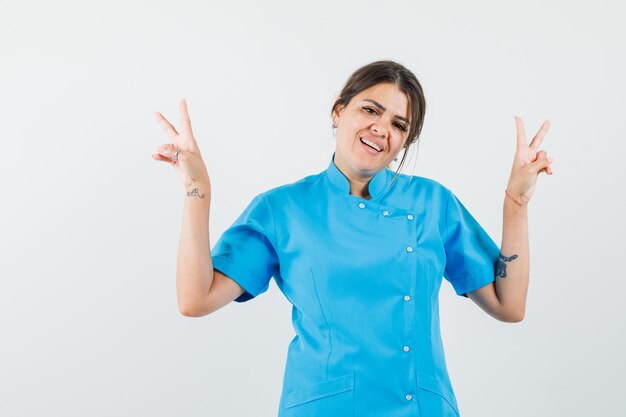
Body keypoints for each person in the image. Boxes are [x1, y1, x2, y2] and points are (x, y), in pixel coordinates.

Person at [151, 60, 553, 417]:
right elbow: (195, 299)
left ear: (404, 144)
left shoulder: (432, 202)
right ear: (338, 111)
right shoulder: (283, 209)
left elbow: (509, 305)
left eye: (399, 125)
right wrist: (196, 190)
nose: (382, 128)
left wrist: (516, 201)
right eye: (370, 109)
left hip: (422, 406)